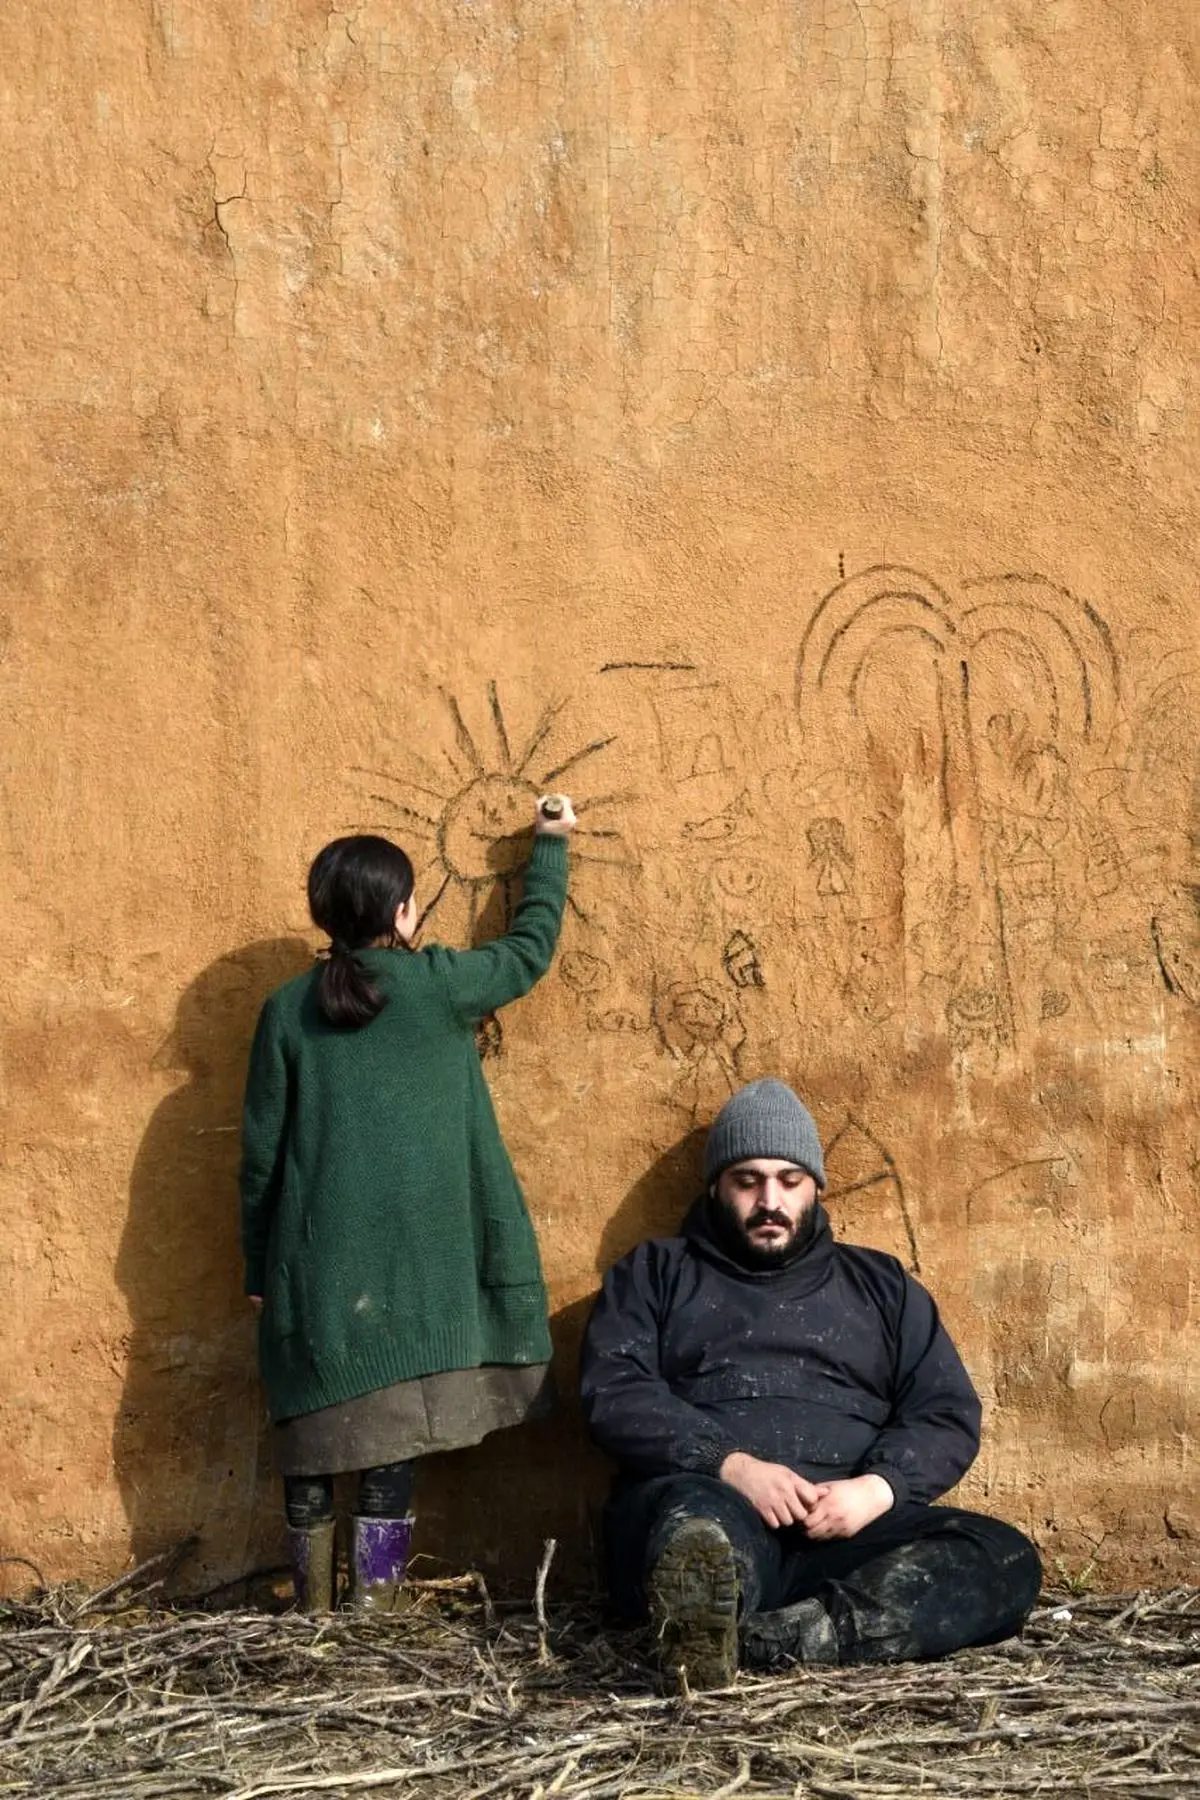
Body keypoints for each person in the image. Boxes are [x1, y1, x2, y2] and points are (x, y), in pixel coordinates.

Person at [580, 1078, 1042, 1688]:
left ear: (817, 1188)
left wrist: (877, 1490)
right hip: (716, 1509)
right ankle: (706, 1608)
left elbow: (946, 1411)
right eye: (748, 1180)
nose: (770, 1200)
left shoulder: (882, 1286)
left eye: (789, 1181)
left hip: (851, 1538)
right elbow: (614, 1390)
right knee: (690, 1531)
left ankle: (798, 1637)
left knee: (1003, 1557)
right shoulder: (655, 1274)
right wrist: (730, 1465)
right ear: (716, 1185)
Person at [240, 796, 575, 1611]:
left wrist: (258, 1264)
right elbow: (529, 950)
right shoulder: (440, 985)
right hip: (419, 1271)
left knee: (313, 1439)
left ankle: (312, 1613)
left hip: (316, 1272)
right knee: (394, 1436)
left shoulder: (285, 1010)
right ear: (402, 910)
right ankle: (375, 1608)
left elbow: (259, 1158)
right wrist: (551, 847)